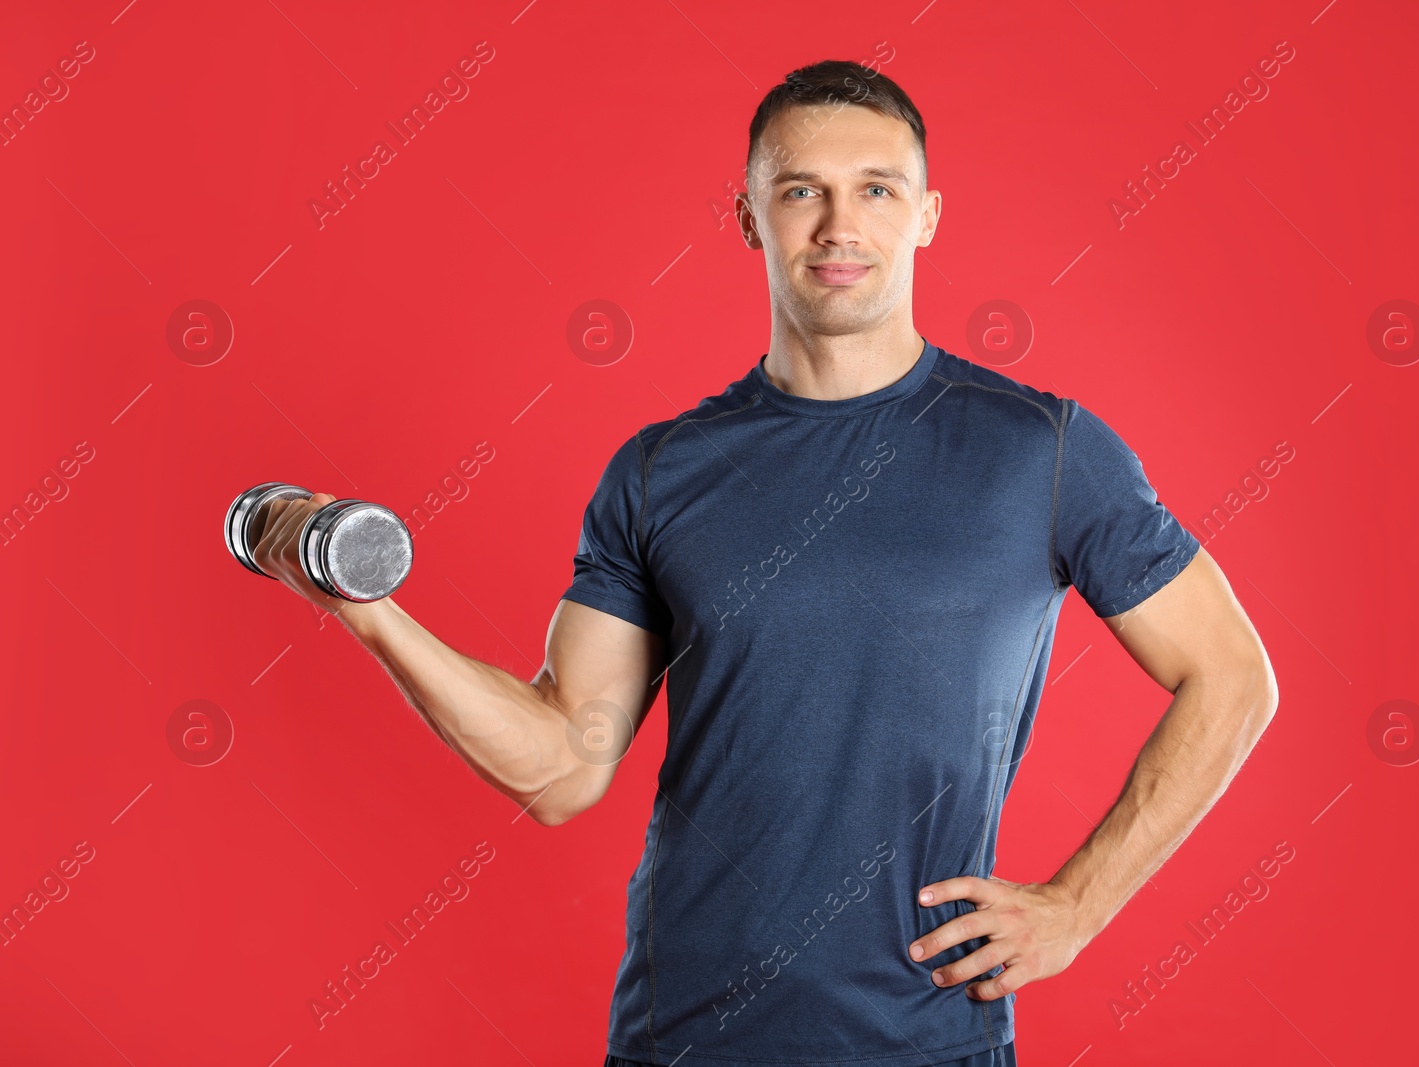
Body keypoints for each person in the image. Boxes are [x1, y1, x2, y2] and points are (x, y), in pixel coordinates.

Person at [252, 58, 1277, 1067]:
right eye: (801, 192)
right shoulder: (660, 472)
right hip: (682, 1034)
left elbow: (1232, 675)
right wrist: (365, 606)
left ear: (924, 216)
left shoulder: (1041, 451)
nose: (839, 226)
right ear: (748, 218)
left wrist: (1078, 905)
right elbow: (563, 765)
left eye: (875, 189)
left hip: (922, 1037)